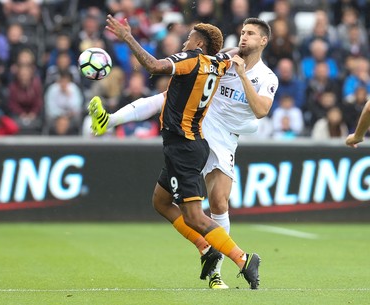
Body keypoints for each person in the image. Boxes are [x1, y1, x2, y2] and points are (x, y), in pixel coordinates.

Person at [90, 17, 277, 289]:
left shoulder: (265, 76)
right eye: (242, 32)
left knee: (218, 204)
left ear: (264, 40)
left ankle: (225, 266)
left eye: (250, 33)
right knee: (161, 201)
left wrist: (242, 75)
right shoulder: (221, 59)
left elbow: (260, 111)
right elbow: (166, 92)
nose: (244, 36)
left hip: (218, 138)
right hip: (200, 124)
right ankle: (210, 253)